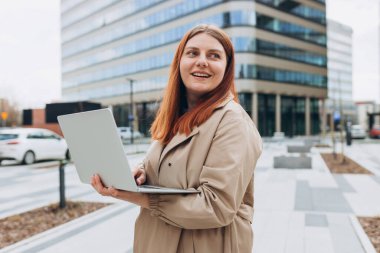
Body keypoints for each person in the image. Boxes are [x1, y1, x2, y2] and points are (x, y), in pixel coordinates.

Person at [91, 24, 262, 253]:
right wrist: (142, 173)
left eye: (214, 56)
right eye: (193, 53)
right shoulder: (176, 117)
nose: (202, 61)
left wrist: (142, 198)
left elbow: (216, 206)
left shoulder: (233, 122)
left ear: (227, 68)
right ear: (179, 62)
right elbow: (175, 164)